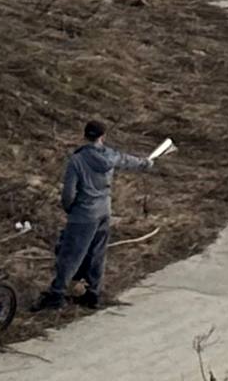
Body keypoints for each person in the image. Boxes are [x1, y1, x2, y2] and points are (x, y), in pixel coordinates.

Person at [34, 120, 156, 312]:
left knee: (70, 255)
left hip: (83, 214)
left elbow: (68, 193)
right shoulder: (111, 155)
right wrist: (147, 163)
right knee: (97, 254)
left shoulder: (77, 160)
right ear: (102, 136)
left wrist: (70, 208)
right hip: (104, 211)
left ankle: (56, 295)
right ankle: (92, 294)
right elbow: (128, 161)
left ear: (85, 135)